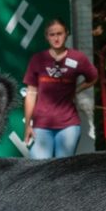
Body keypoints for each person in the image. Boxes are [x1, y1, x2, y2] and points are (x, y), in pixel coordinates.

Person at [22, 17, 99, 159]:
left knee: (62, 171)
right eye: (52, 34)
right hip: (42, 125)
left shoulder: (78, 58)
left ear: (66, 34)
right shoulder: (38, 59)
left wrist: (77, 90)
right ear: (47, 37)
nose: (56, 38)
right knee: (39, 169)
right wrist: (28, 125)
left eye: (59, 33)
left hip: (68, 126)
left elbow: (93, 77)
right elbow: (31, 94)